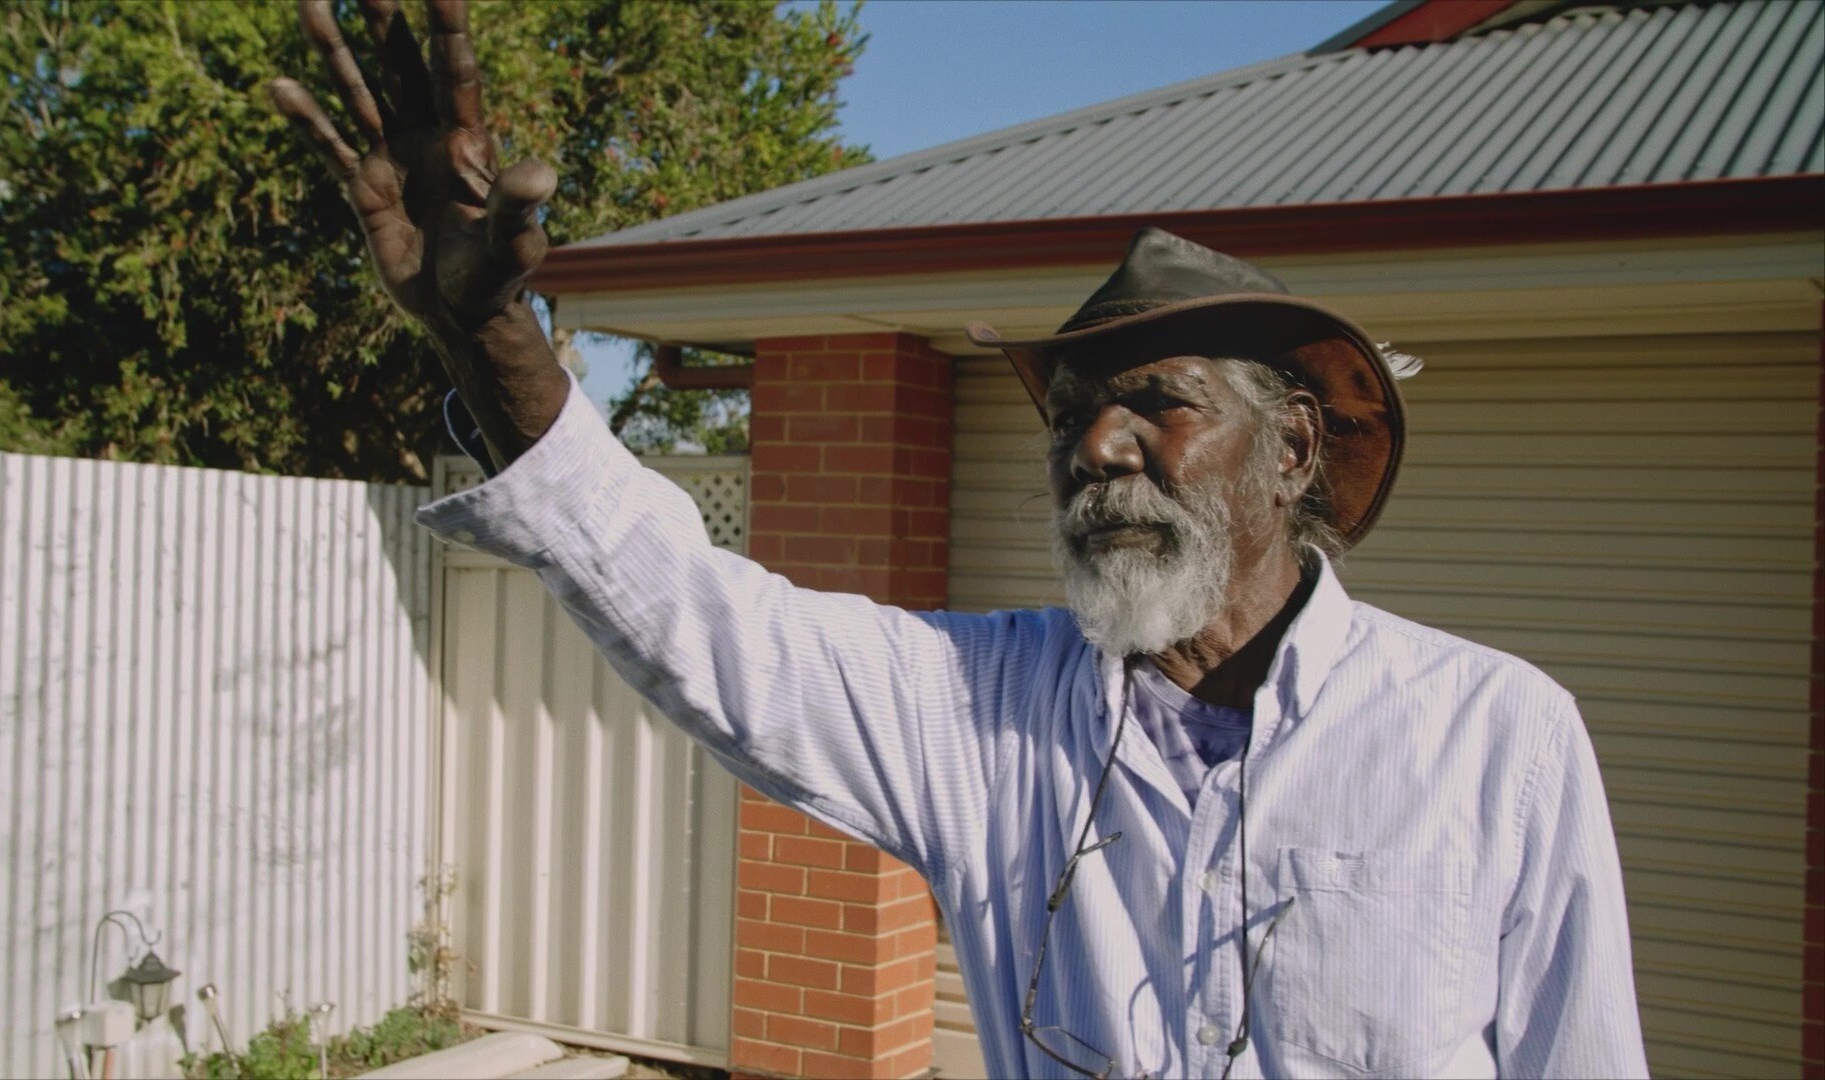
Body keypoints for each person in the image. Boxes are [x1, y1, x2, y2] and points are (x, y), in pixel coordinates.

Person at [271, 3, 1649, 1077]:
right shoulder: (984, 712)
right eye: (1072, 418)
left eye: (1156, 406)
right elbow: (696, 615)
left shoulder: (1495, 738)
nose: (1094, 447)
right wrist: (503, 347)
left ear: (1291, 451)